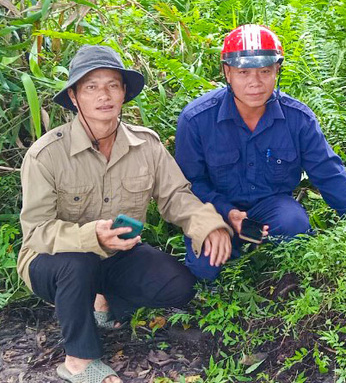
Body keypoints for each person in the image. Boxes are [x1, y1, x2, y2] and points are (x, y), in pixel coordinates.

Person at [17, 45, 233, 383]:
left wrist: (209, 226)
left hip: (118, 254)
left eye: (113, 85)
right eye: (91, 86)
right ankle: (78, 360)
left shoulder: (146, 145)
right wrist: (92, 237)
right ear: (74, 96)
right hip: (52, 261)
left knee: (179, 286)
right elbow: (38, 232)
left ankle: (101, 301)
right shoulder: (45, 155)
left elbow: (176, 195)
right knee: (80, 262)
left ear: (123, 93)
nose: (104, 95)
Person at [175, 24, 346, 280]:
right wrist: (227, 212)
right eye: (243, 72)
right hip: (215, 209)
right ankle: (228, 251)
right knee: (204, 270)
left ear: (277, 70)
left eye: (264, 71)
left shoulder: (298, 119)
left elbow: (329, 175)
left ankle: (275, 267)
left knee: (294, 224)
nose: (255, 83)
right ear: (227, 73)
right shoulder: (196, 120)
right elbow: (190, 184)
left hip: (271, 207)